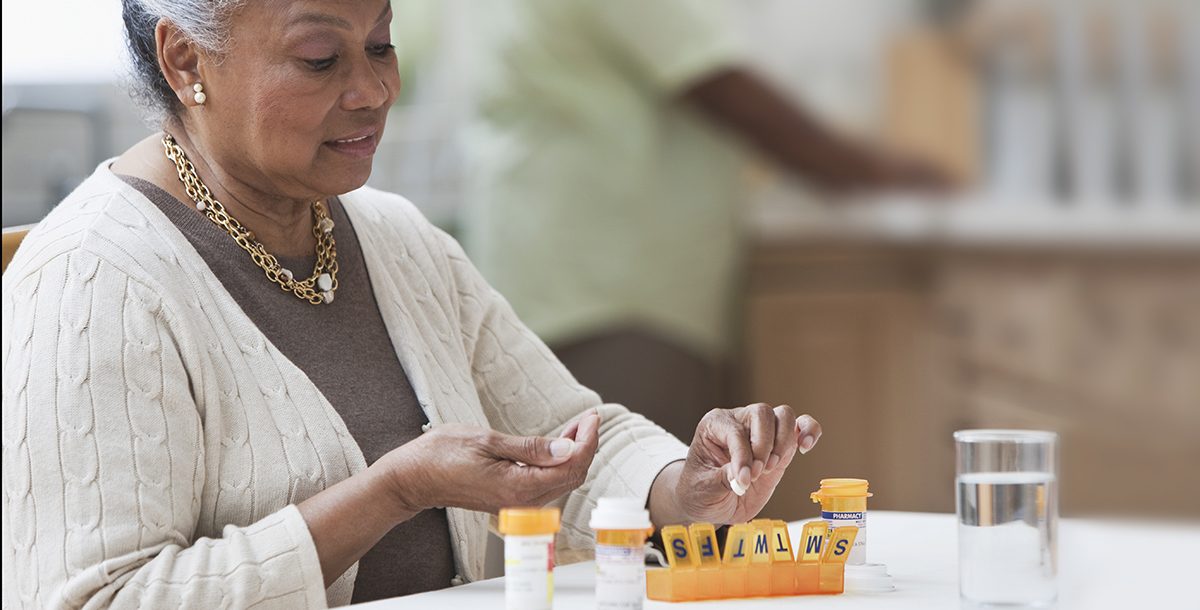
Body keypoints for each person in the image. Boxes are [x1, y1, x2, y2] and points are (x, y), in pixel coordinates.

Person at [0, 1, 823, 607]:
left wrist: (683, 487)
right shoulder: (92, 278)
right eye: (321, 59)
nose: (372, 90)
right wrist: (391, 493)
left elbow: (568, 439)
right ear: (186, 62)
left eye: (382, 45)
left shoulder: (396, 238)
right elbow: (96, 600)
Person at [461, 0, 949, 440]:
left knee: (584, 511)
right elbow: (718, 83)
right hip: (619, 288)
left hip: (554, 270)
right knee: (639, 511)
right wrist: (868, 170)